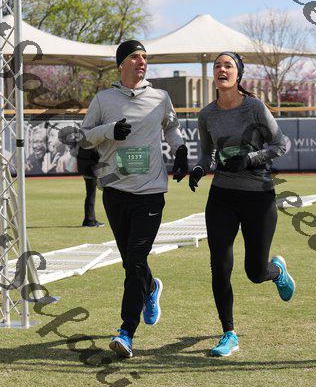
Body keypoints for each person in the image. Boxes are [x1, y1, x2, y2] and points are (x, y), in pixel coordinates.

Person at [80, 39, 188, 358]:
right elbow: (84, 136)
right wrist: (109, 130)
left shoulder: (160, 97)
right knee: (131, 262)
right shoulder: (103, 99)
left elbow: (172, 128)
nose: (142, 62)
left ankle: (126, 331)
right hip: (115, 191)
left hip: (150, 192)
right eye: (135, 57)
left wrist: (180, 150)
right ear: (121, 64)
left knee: (136, 260)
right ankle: (151, 287)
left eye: (144, 57)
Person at [188, 52, 295, 357]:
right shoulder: (207, 115)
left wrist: (250, 159)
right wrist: (199, 169)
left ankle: (276, 271)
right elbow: (207, 154)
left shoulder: (255, 107)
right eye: (217, 66)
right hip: (222, 196)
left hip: (258, 197)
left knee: (255, 272)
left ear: (238, 74)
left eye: (228, 65)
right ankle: (229, 333)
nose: (221, 69)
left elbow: (282, 144)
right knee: (220, 266)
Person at [76, 146, 105, 228]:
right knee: (91, 195)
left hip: (85, 170)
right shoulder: (91, 145)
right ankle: (90, 220)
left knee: (90, 195)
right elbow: (96, 156)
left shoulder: (83, 144)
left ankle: (90, 219)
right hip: (90, 170)